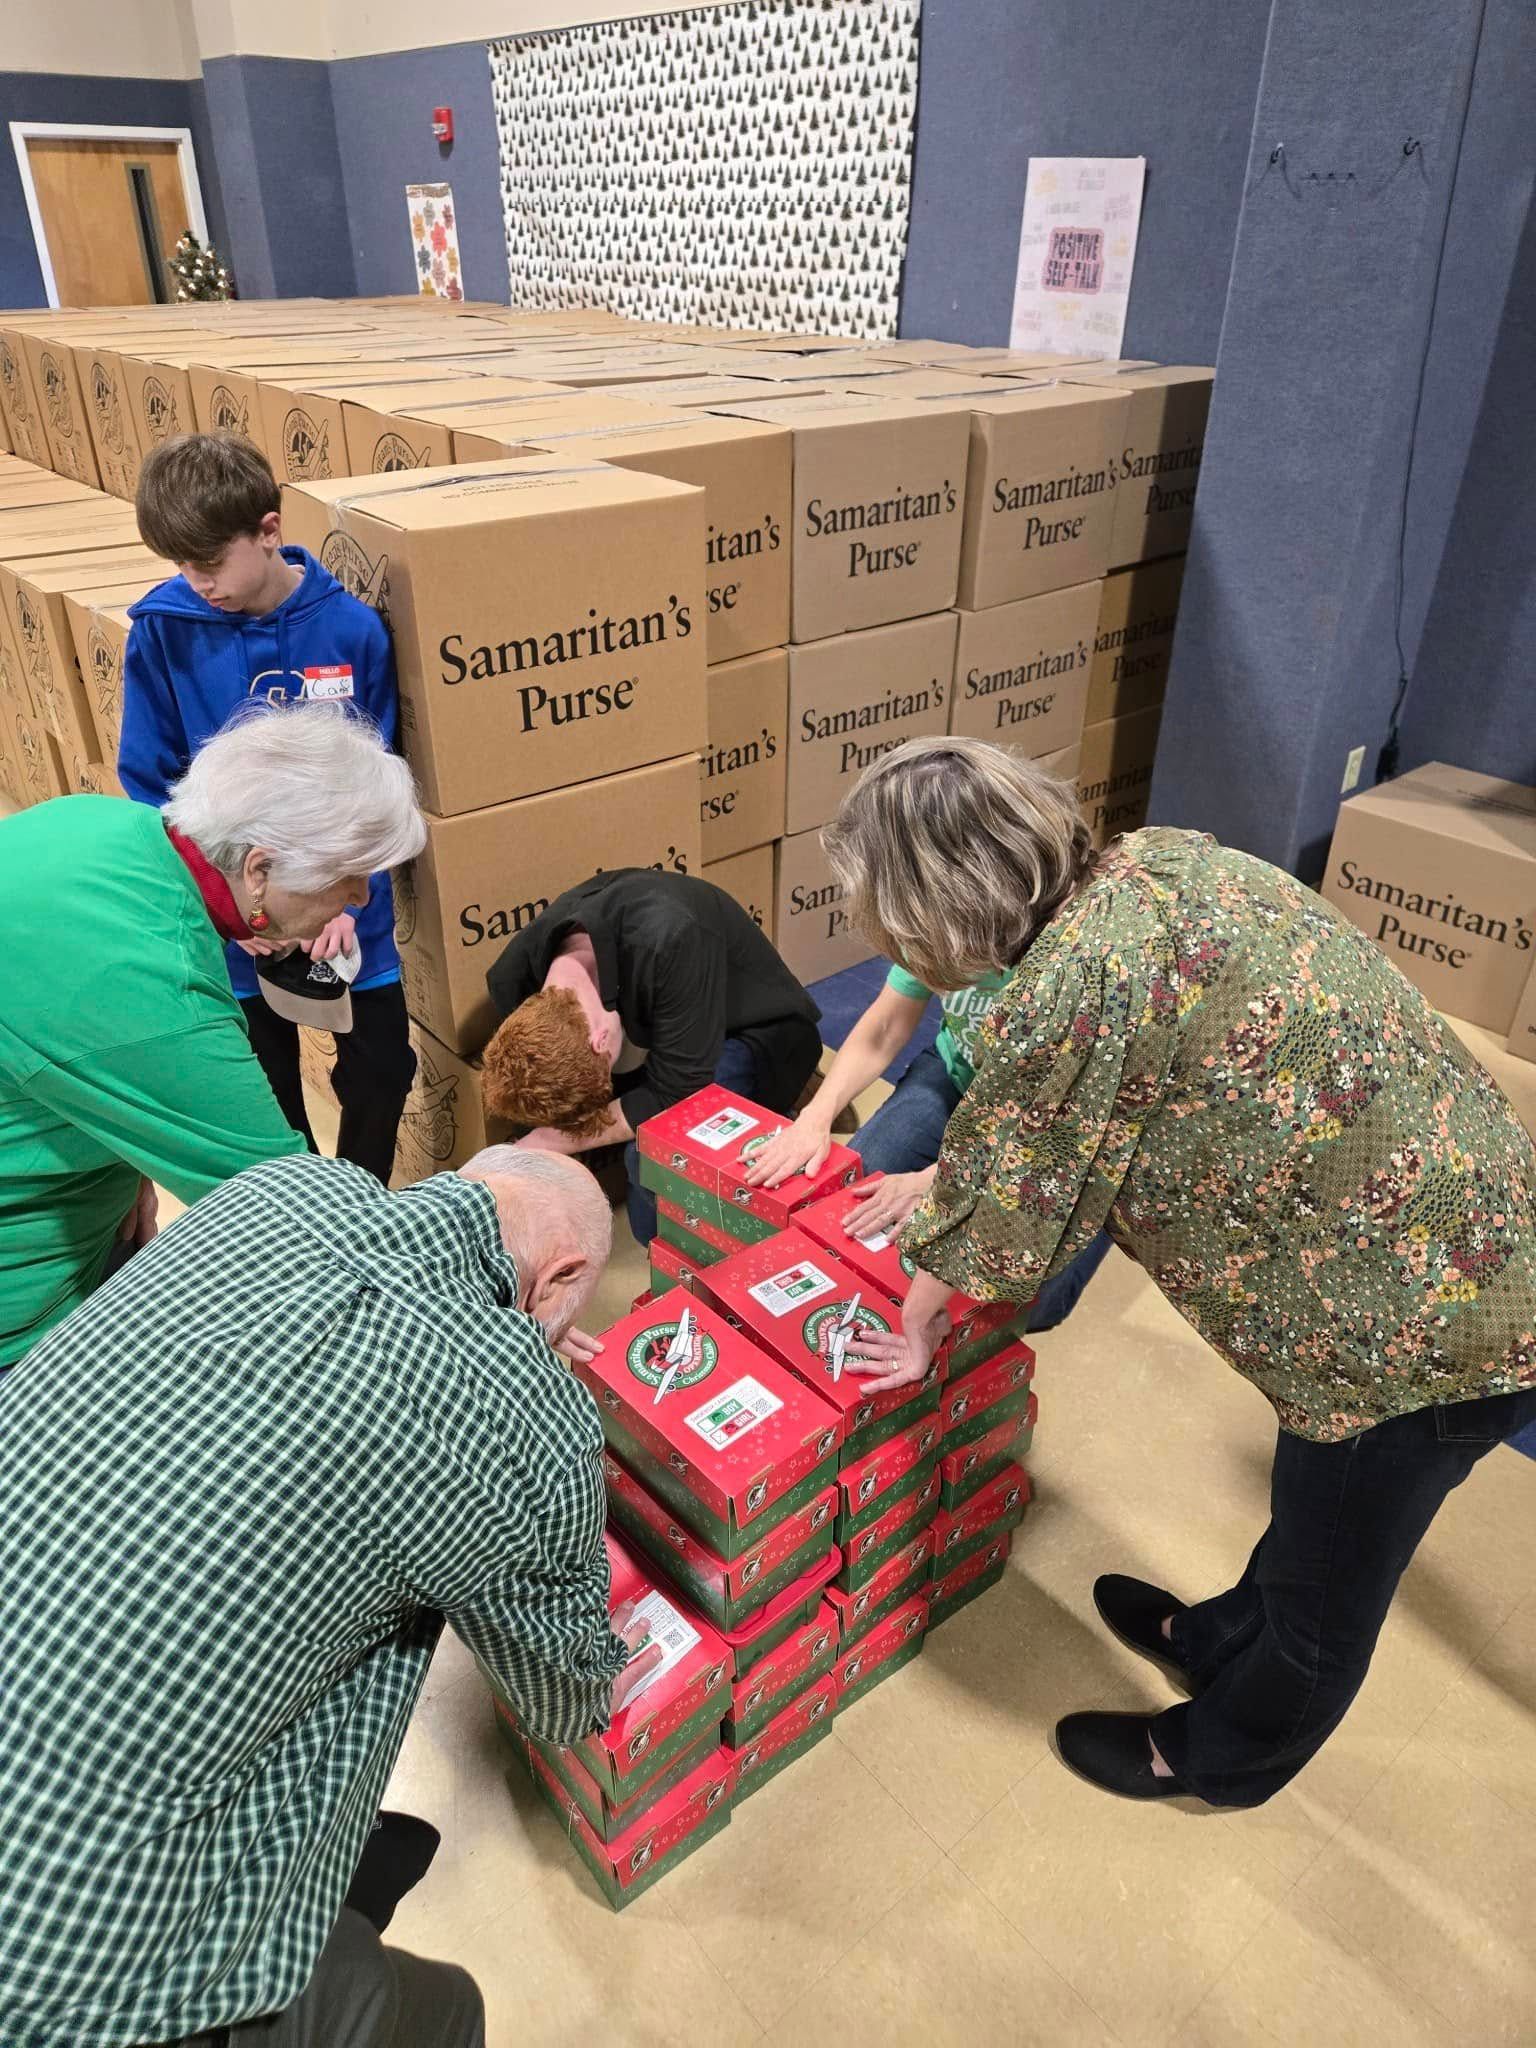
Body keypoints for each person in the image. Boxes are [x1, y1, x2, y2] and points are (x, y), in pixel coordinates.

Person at [823, 735, 1536, 1809]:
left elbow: (1009, 1216)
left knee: (1327, 1589)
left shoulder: (1066, 994)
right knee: (1314, 1515)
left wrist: (919, 1325)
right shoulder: (1156, 864)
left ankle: (1220, 1756)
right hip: (1458, 1216)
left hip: (1428, 1326)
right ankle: (1211, 1637)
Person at [0, 1146, 662, 2047]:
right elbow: (562, 1698)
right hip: (66, 1962)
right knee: (445, 2012)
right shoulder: (517, 1399)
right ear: (565, 1277)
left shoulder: (280, 1185)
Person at [0, 701, 423, 1371]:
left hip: (72, 1187)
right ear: (260, 869)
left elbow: (56, 1037)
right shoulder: (151, 992)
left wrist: (127, 1147)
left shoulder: (103, 823)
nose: (362, 901)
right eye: (351, 879)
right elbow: (295, 1213)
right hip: (27, 1308)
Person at [119, 432, 416, 1184]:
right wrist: (222, 897)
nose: (199, 583)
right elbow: (150, 778)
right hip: (231, 918)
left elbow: (377, 789)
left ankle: (358, 1200)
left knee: (383, 1067)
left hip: (345, 906)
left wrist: (353, 901)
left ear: (269, 531)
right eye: (183, 567)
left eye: (212, 564)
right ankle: (303, 1210)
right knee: (266, 1091)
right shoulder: (163, 630)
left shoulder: (351, 631)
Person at [742, 952, 1114, 1331]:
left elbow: (1071, 1117)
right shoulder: (932, 920)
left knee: (1032, 1299)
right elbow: (886, 1025)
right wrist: (816, 1115)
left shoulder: (1081, 954)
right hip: (963, 1074)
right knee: (860, 1187)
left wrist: (944, 1180)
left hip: (1080, 1118)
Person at [480, 868, 823, 1246]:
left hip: (753, 1029)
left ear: (600, 1040)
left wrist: (556, 1139)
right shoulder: (511, 977)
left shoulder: (672, 937)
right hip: (662, 1021)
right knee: (631, 1133)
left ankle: (669, 1263)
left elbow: (676, 1092)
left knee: (648, 1159)